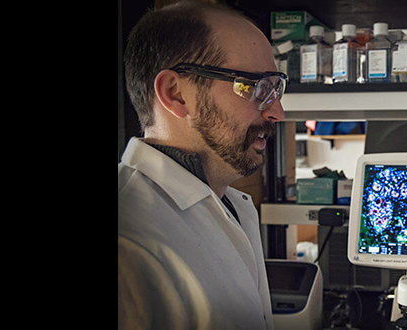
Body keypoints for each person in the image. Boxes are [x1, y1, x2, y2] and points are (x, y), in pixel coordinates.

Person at [118, 1, 286, 328]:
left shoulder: (229, 201)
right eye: (255, 87)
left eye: (275, 87)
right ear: (176, 94)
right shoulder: (128, 240)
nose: (277, 111)